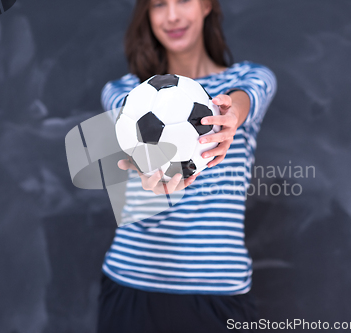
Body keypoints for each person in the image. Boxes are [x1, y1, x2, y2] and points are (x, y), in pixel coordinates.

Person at [98, 0, 277, 332]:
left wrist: (231, 116)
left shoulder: (248, 78)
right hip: (132, 284)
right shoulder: (124, 92)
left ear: (207, 5)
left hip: (219, 293)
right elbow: (126, 117)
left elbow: (248, 95)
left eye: (183, 0)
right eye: (158, 5)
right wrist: (148, 176)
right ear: (146, 15)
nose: (172, 15)